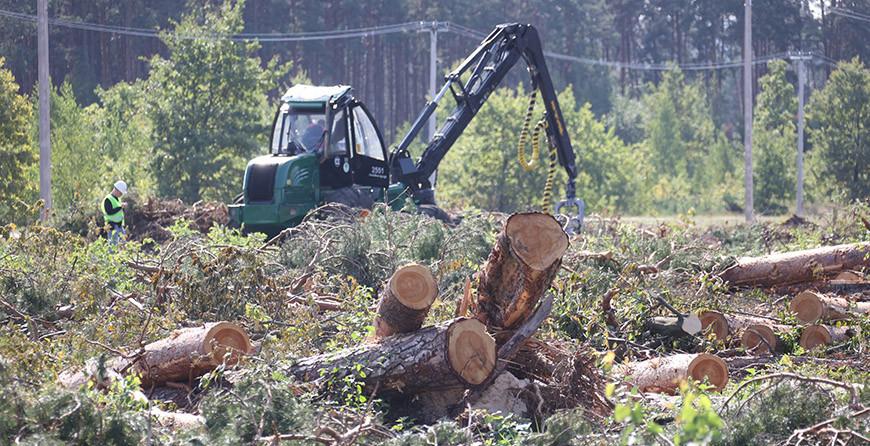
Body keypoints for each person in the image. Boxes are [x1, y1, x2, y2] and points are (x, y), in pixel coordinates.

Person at [102, 180, 127, 245]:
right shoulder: (108, 199)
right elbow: (109, 212)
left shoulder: (117, 199)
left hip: (119, 226)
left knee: (124, 244)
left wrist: (122, 207)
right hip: (112, 226)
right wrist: (120, 207)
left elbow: (119, 212)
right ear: (117, 190)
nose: (121, 195)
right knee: (113, 247)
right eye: (121, 193)